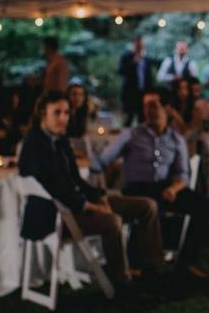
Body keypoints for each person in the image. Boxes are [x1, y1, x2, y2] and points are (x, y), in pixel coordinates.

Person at [18, 91, 164, 288]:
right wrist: (91, 207)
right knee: (112, 221)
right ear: (43, 114)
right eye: (57, 113)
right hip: (56, 215)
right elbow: (56, 189)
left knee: (147, 206)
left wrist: (100, 197)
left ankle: (152, 271)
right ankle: (120, 283)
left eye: (67, 113)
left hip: (77, 204)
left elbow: (76, 180)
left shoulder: (61, 141)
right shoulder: (34, 144)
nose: (63, 118)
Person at [93, 87, 209, 279]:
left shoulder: (176, 139)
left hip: (165, 187)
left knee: (205, 206)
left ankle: (187, 262)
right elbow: (102, 161)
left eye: (153, 106)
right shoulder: (131, 134)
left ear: (167, 109)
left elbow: (182, 174)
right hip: (136, 187)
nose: (148, 111)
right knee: (148, 207)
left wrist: (174, 189)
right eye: (145, 106)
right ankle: (139, 265)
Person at [118, 37, 155, 128]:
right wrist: (133, 62)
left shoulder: (146, 59)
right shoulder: (126, 57)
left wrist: (150, 92)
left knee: (142, 119)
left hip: (142, 93)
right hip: (129, 93)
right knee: (128, 119)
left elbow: (149, 77)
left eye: (141, 45)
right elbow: (121, 71)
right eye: (137, 45)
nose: (139, 47)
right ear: (134, 45)